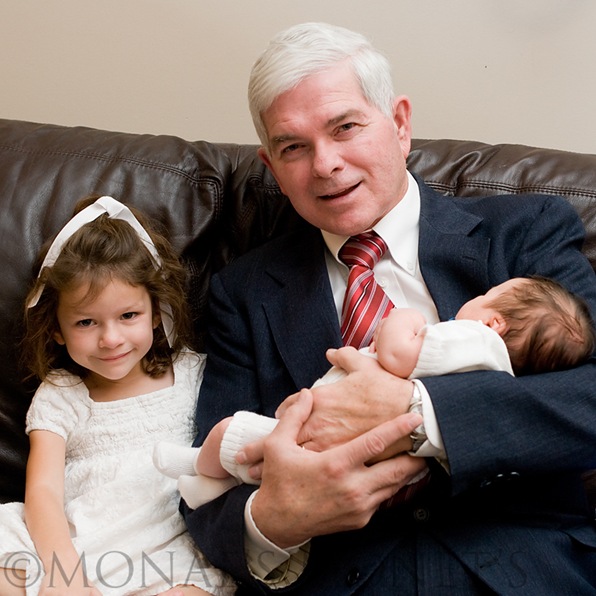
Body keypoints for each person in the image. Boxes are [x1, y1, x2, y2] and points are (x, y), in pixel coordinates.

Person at [183, 22, 596, 595]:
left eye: (345, 127)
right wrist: (279, 519)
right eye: (293, 147)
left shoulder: (525, 233)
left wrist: (418, 414)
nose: (324, 164)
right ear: (272, 166)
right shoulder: (242, 292)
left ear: (400, 123)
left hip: (523, 571)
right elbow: (207, 486)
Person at [156, 275, 595, 509]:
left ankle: (197, 464)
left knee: (233, 434)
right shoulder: (242, 285)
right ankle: (211, 486)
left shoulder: (472, 338)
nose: (327, 164)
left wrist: (401, 319)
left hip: (503, 547)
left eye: (485, 294)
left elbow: (400, 354)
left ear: (494, 323)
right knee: (260, 468)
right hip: (361, 480)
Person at [0, 196, 235, 596]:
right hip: (68, 545)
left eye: (128, 316)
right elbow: (42, 492)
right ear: (57, 329)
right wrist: (63, 574)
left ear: (157, 310)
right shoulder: (61, 394)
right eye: (86, 322)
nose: (111, 339)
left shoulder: (196, 374)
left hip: (165, 553)